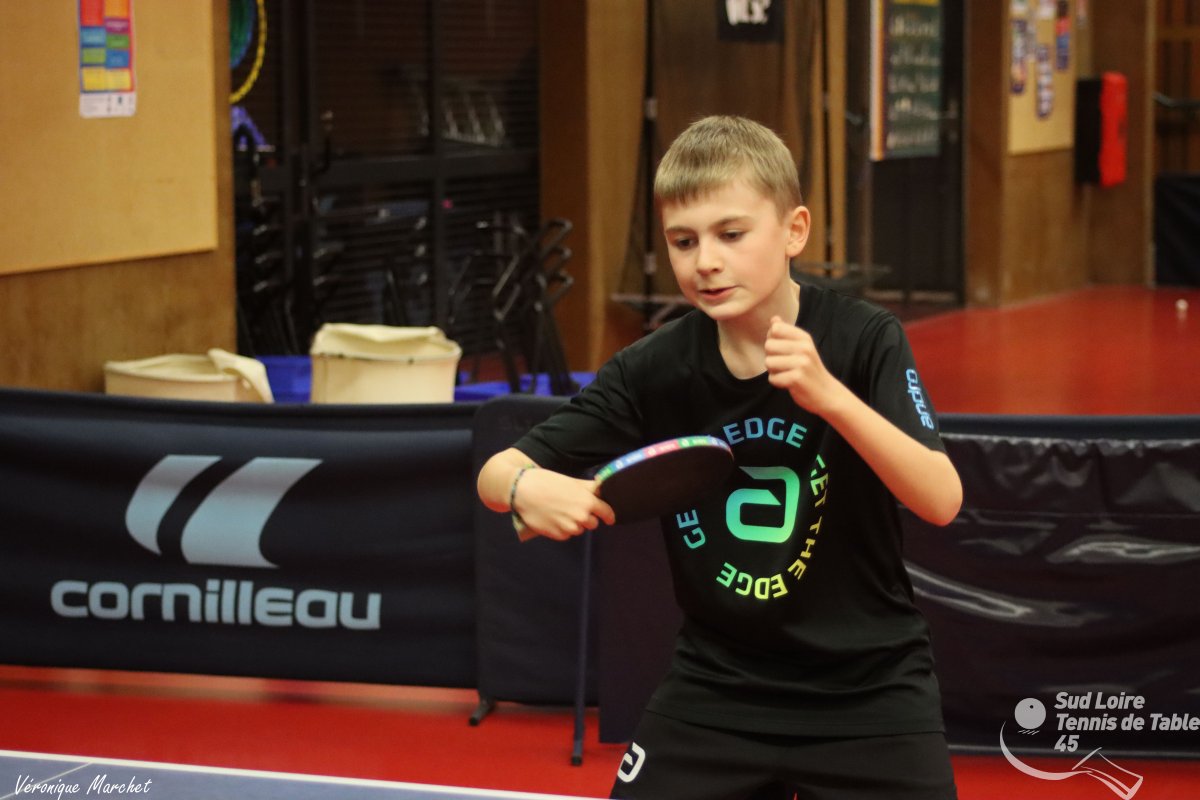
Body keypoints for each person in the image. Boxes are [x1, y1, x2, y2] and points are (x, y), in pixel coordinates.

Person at [476, 115, 962, 800]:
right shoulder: (653, 368)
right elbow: (495, 472)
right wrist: (526, 486)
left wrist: (830, 398)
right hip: (717, 688)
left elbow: (941, 499)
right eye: (684, 241)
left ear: (794, 230)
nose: (705, 260)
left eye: (731, 235)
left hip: (869, 692)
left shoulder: (864, 338)